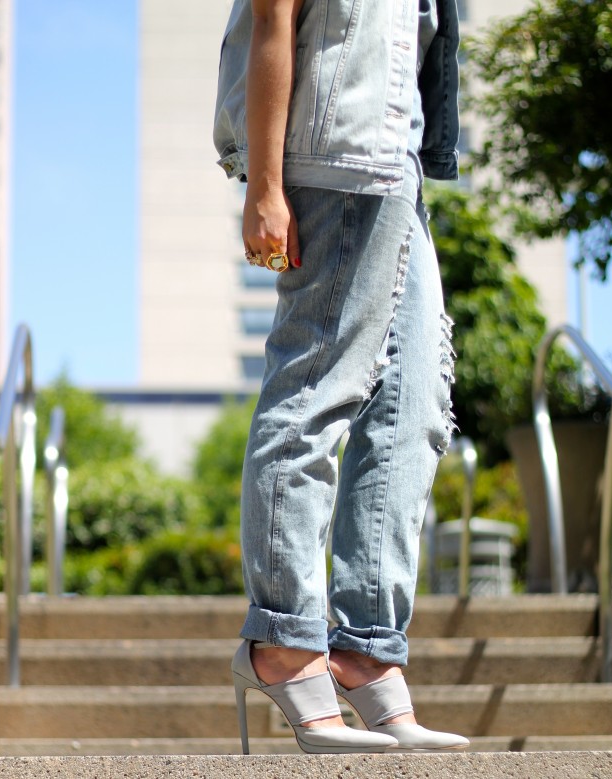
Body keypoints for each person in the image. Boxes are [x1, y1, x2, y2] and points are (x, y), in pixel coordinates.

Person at [214, 0, 469, 754]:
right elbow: (272, 22)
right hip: (336, 155)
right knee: (316, 392)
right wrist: (265, 186)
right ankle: (283, 641)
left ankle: (367, 650)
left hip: (398, 167)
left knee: (413, 408)